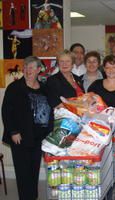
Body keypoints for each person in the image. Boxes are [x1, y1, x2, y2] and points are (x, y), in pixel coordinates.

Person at [2, 56, 53, 200]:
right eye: (25, 67)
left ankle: (33, 196)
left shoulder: (44, 88)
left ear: (38, 70)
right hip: (21, 136)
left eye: (31, 67)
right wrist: (13, 131)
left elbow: (49, 110)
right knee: (23, 171)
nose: (27, 70)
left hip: (38, 137)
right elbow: (6, 111)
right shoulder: (15, 87)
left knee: (34, 170)